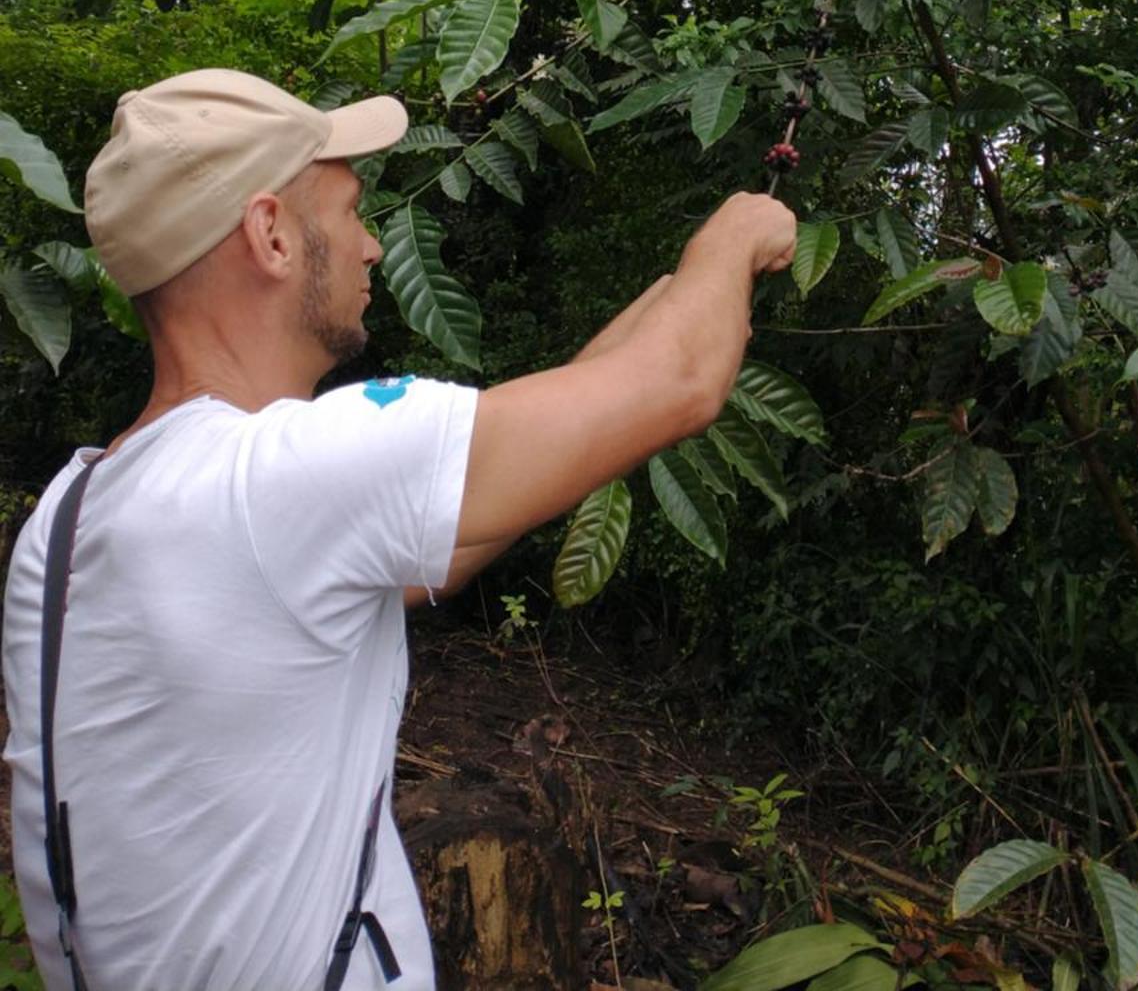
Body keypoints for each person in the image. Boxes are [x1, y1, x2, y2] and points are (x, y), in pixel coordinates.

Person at [2, 68, 796, 991]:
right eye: (347, 212)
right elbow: (682, 385)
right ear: (269, 235)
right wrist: (734, 237)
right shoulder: (284, 477)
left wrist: (674, 300)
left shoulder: (73, 513)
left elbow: (441, 553)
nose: (374, 245)